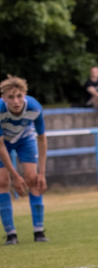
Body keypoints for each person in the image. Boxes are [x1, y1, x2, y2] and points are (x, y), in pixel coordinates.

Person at [0, 76, 49, 244]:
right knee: (2, 181)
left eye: (19, 96)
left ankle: (39, 231)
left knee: (33, 179)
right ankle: (11, 234)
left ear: (25, 94)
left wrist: (42, 173)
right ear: (3, 97)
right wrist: (15, 176)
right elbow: (0, 146)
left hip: (25, 139)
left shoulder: (34, 107)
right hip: (3, 143)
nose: (16, 101)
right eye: (11, 97)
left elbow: (42, 139)